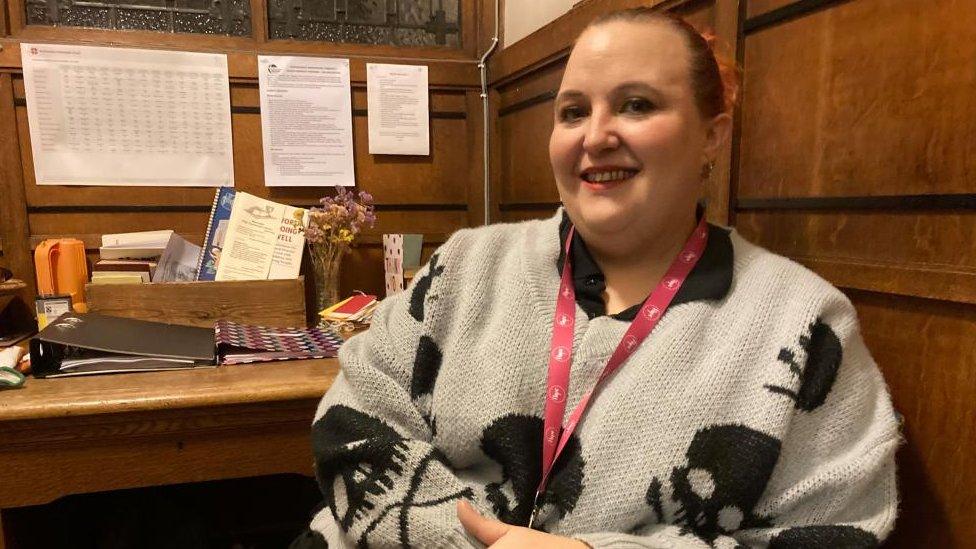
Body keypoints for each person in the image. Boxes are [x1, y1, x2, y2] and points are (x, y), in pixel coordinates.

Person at [291, 9, 899, 549]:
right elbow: (353, 421)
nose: (596, 135)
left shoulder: (802, 324)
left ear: (711, 134)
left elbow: (833, 529)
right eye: (573, 111)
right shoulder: (466, 267)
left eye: (637, 105)